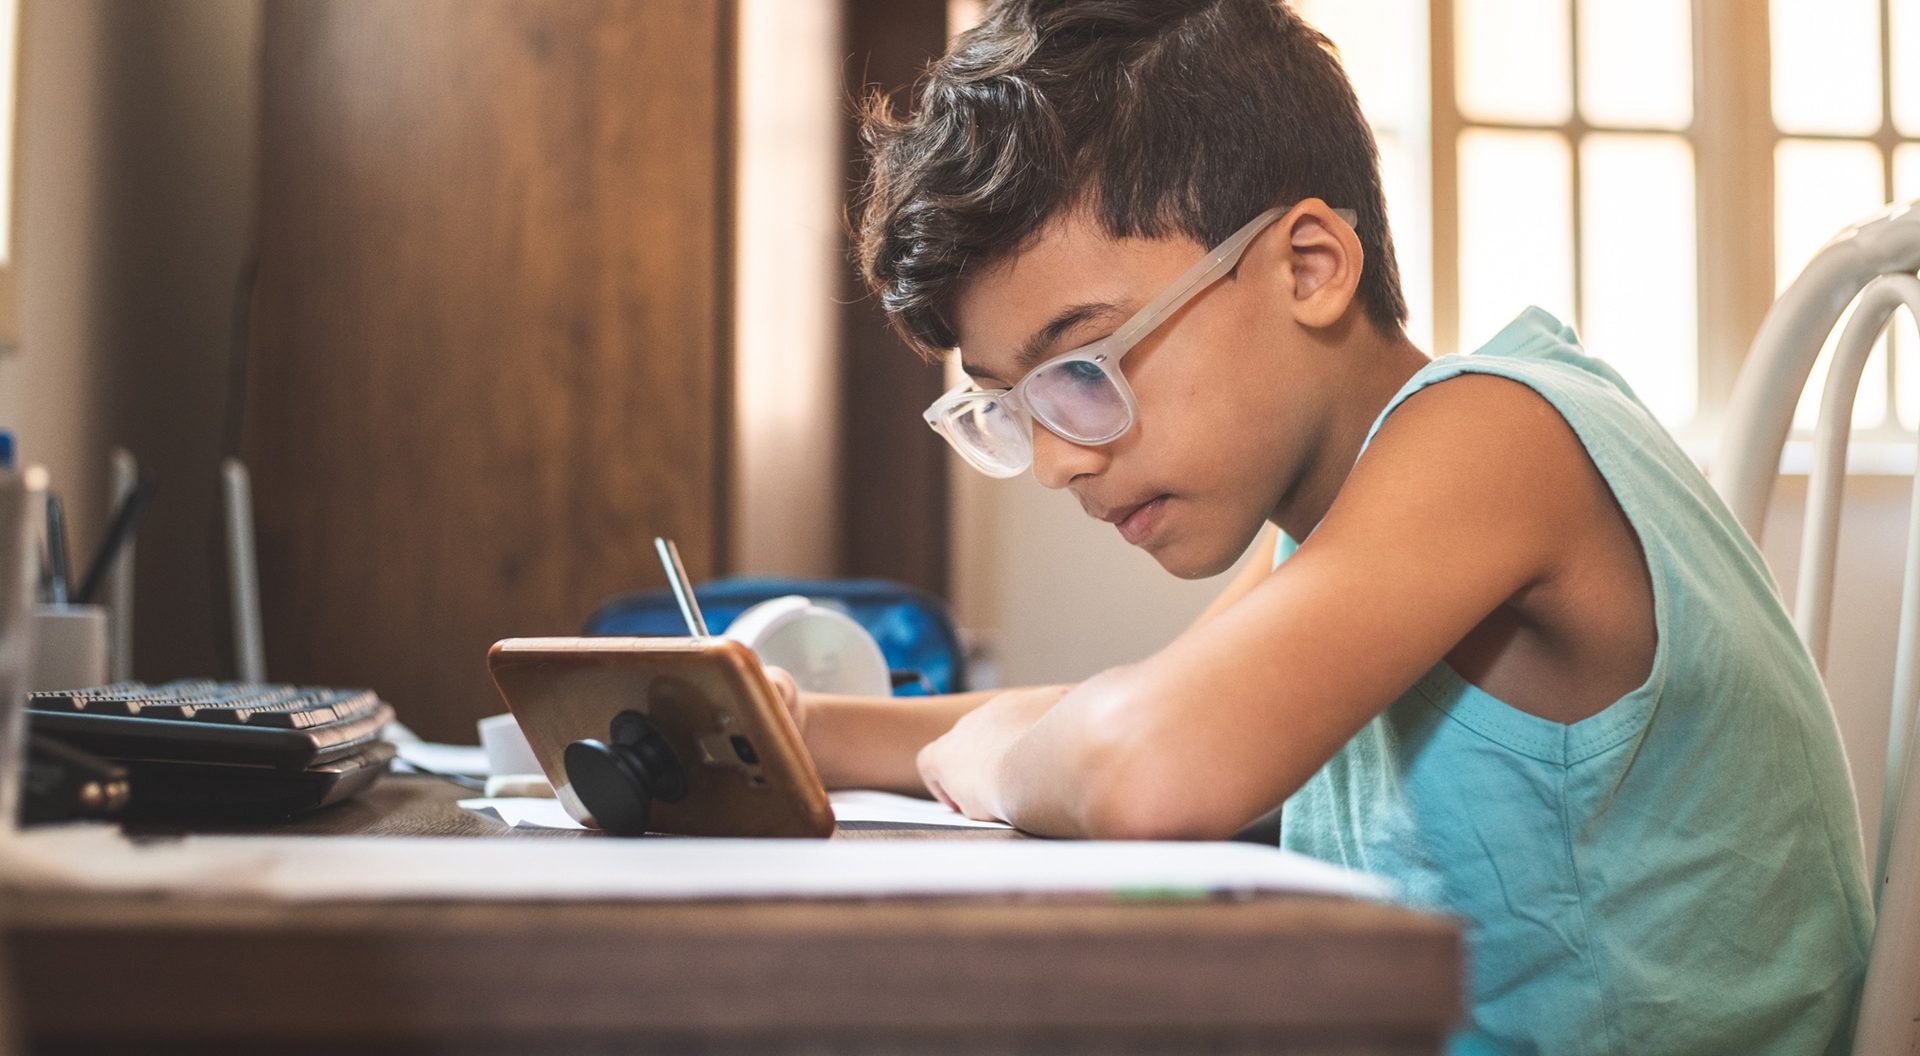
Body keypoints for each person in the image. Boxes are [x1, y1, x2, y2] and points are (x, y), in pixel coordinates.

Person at [775, 1, 1873, 1051]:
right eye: (1012, 407)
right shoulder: (1337, 511)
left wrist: (998, 755)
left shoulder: (1495, 437)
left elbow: (1154, 764)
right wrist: (801, 727)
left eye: (1082, 366)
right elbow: (1149, 708)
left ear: (1310, 267)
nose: (1059, 459)